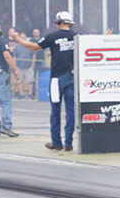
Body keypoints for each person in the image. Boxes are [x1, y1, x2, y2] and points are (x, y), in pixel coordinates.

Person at [13, 12, 77, 150]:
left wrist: (17, 39)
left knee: (55, 111)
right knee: (71, 111)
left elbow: (33, 47)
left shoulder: (52, 36)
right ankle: (69, 142)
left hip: (56, 78)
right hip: (72, 77)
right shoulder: (76, 37)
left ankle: (57, 142)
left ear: (58, 22)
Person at [10, 34, 35, 99]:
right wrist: (15, 66)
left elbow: (33, 56)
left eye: (24, 37)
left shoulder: (29, 45)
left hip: (28, 66)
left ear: (26, 38)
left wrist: (32, 65)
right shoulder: (17, 46)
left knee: (30, 81)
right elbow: (14, 56)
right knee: (20, 81)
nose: (23, 38)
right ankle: (21, 94)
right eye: (21, 37)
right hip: (19, 66)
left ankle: (30, 94)